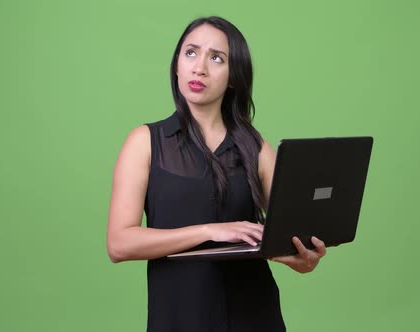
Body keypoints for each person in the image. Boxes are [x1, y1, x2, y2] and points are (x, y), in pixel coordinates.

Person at [106, 16, 327, 331]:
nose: (200, 68)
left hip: (255, 318)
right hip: (179, 320)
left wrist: (304, 258)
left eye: (217, 58)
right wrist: (210, 231)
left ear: (233, 76)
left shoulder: (256, 147)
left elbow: (289, 234)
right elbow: (119, 243)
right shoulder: (145, 142)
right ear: (177, 65)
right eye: (191, 53)